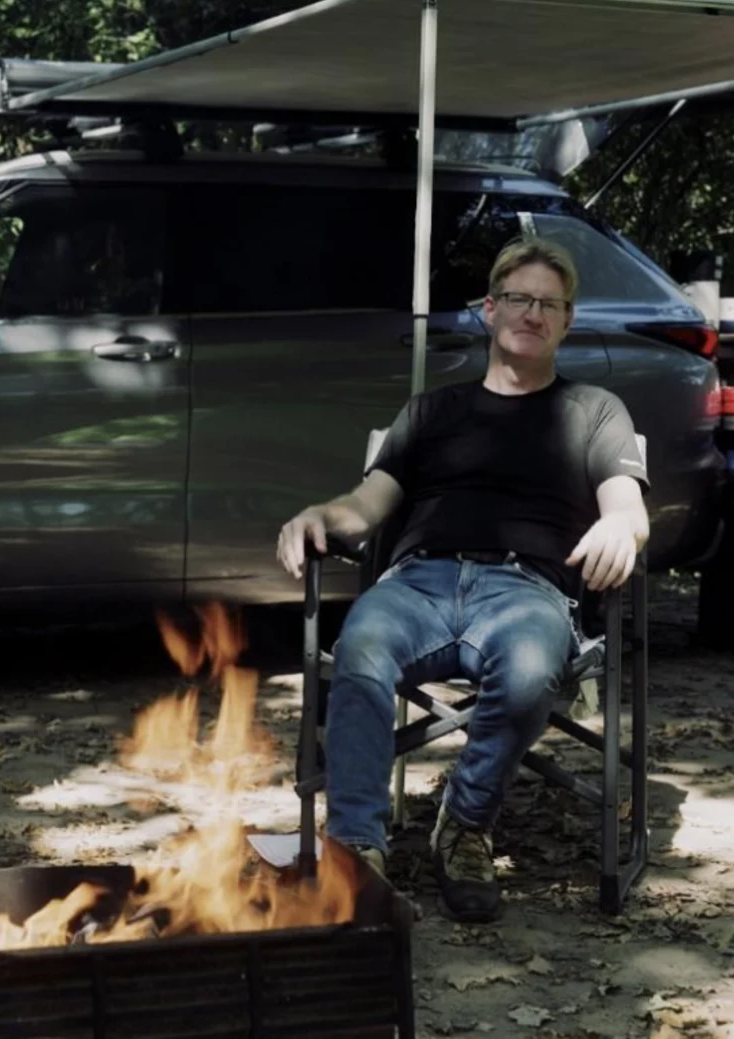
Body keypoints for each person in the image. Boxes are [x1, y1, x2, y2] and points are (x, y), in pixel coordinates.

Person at [275, 236, 649, 923]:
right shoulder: (431, 413)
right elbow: (364, 508)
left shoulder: (594, 411)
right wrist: (317, 514)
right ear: (488, 309)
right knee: (360, 649)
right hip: (417, 582)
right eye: (517, 298)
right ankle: (356, 849)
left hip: (527, 591)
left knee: (534, 665)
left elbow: (626, 504)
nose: (531, 313)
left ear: (566, 321)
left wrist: (623, 527)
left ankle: (466, 820)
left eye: (548, 304)